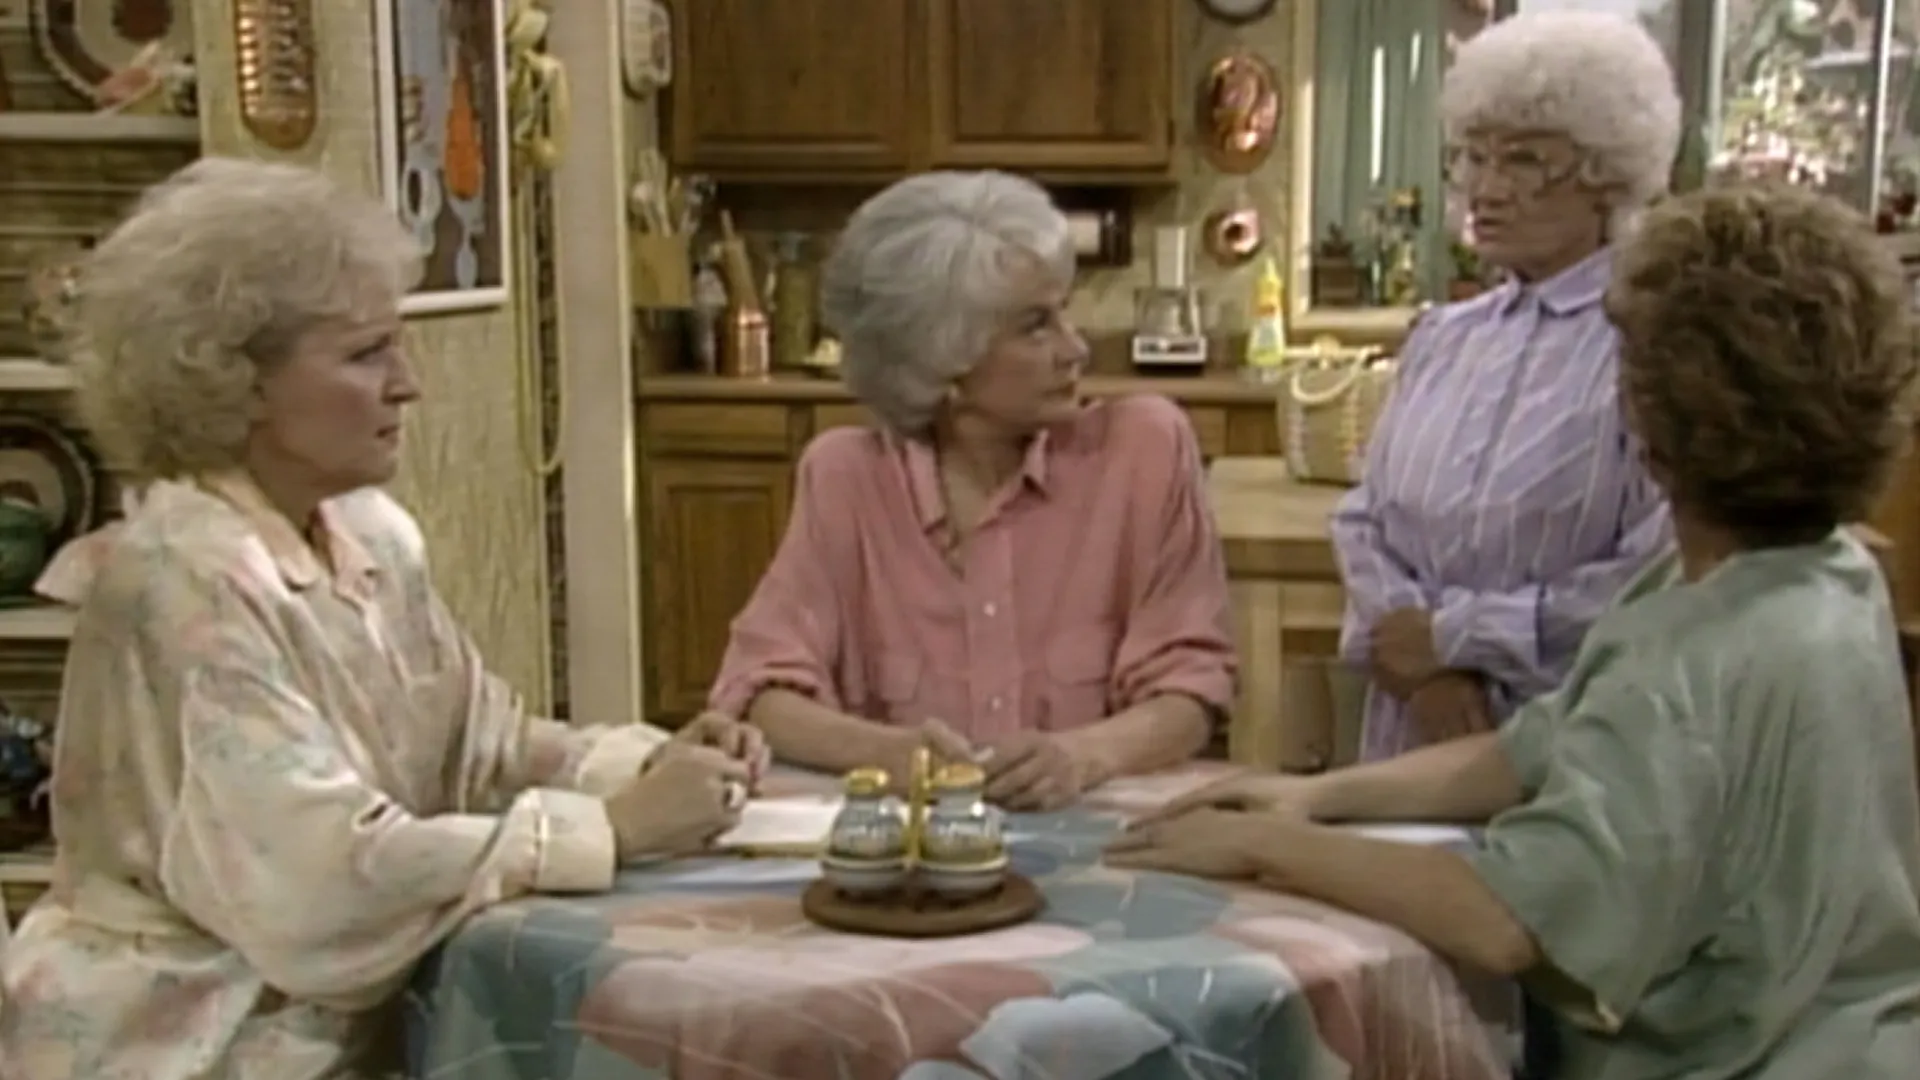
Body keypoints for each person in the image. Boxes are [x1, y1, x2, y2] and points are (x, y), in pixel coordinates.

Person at [1109, 183, 1920, 1078]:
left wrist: (1270, 847)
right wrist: (1316, 796)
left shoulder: (1688, 665)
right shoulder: (1826, 574)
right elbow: (1537, 746)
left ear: (1652, 420)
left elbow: (1510, 921)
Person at [0, 158, 768, 1080]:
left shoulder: (367, 535)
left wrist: (647, 763)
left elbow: (475, 746)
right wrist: (611, 831)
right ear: (234, 382)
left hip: (343, 1035)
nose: (409, 386)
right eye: (367, 355)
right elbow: (318, 876)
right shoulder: (179, 577)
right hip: (179, 1039)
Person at [706, 171, 1236, 812]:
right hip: (912, 865)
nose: (1076, 349)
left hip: (1102, 841)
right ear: (943, 363)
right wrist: (886, 753)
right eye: (1036, 326)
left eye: (1063, 313)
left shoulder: (1144, 451)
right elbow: (758, 692)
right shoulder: (845, 479)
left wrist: (1086, 755)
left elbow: (1194, 690)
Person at [1332, 11, 1679, 761]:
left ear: (1607, 175)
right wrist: (1422, 672)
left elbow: (1660, 574)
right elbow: (1364, 522)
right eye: (1472, 158)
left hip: (1574, 752)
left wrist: (1452, 641)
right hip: (1409, 735)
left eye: (1522, 162)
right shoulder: (1443, 338)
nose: (1484, 190)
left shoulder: (1656, 346)